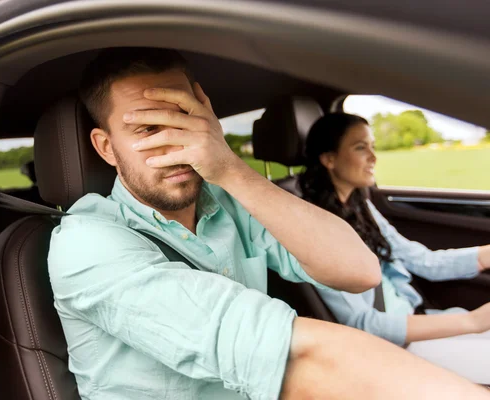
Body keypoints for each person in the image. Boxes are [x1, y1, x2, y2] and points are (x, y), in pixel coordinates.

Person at [48, 48, 490, 399]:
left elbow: (360, 273)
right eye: (148, 130)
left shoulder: (231, 202)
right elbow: (293, 358)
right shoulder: (86, 243)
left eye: (185, 119)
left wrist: (230, 169)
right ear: (106, 148)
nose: (176, 145)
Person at [299, 112, 490, 347]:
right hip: (396, 346)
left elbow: (423, 261)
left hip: (417, 320)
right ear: (329, 159)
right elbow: (362, 323)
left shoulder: (360, 206)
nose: (373, 157)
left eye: (373, 146)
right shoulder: (317, 229)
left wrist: (486, 255)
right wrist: (472, 321)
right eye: (361, 148)